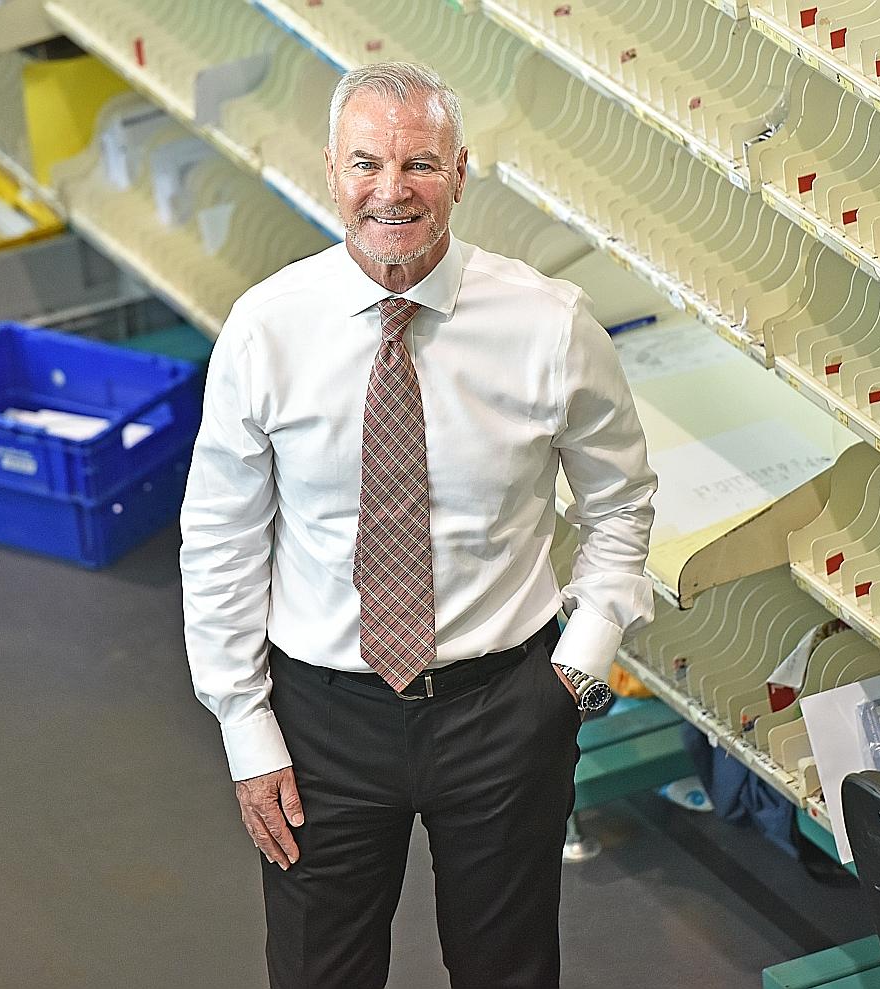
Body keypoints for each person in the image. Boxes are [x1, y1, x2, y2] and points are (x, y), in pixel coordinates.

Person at [178, 60, 656, 989]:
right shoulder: (265, 330)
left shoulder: (549, 326)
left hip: (503, 709)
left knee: (508, 971)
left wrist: (581, 666)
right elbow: (222, 538)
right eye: (366, 163)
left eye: (420, 165)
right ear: (331, 171)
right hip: (320, 722)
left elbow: (620, 498)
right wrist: (244, 723)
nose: (391, 191)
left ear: (460, 174)